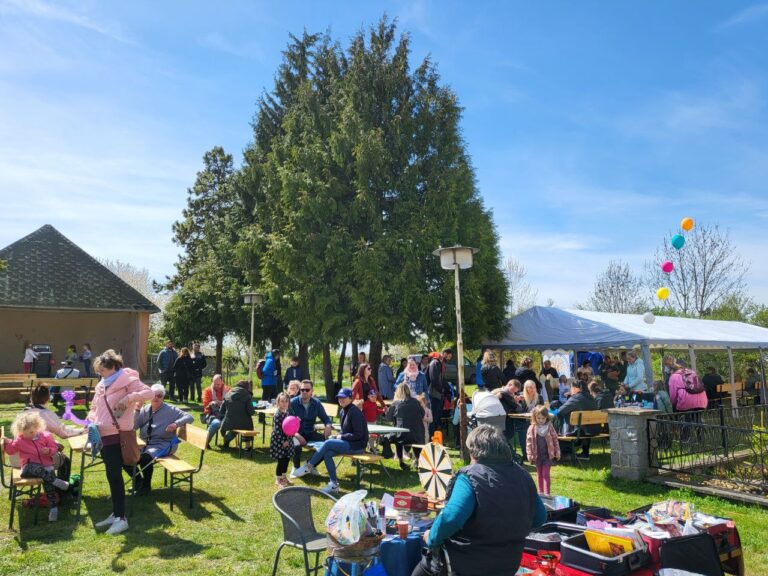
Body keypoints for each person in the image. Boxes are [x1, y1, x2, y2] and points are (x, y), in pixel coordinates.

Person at [411, 425, 546, 576]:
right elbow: (540, 518)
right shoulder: (523, 475)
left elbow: (451, 518)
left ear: (474, 452)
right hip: (508, 563)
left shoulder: (471, 476)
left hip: (466, 564)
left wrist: (431, 537)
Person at [87, 349, 153, 535]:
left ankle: (121, 518)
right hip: (102, 434)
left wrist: (128, 398)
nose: (100, 373)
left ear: (114, 367)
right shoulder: (102, 384)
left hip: (118, 434)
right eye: (99, 371)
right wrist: (91, 420)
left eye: (103, 370)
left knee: (115, 476)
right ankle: (116, 513)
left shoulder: (128, 380)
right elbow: (94, 407)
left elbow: (148, 393)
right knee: (111, 475)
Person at [292, 388, 369, 494]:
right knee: (327, 454)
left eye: (344, 397)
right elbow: (345, 431)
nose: (341, 400)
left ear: (350, 398)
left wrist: (340, 437)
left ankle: (309, 466)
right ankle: (334, 484)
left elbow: (358, 435)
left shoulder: (354, 412)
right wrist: (338, 436)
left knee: (327, 443)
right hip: (348, 443)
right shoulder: (343, 411)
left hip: (357, 446)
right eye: (339, 398)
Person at [2, 412, 70, 522]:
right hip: (29, 468)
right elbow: (10, 450)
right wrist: (6, 442)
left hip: (47, 466)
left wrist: (48, 451)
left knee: (50, 489)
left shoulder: (46, 436)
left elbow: (54, 448)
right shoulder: (20, 440)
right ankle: (56, 480)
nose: (29, 435)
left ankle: (53, 509)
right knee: (37, 468)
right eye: (25, 433)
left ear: (38, 427)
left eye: (32, 432)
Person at [128, 384, 193, 496]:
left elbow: (190, 417)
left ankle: (146, 486)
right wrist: (137, 410)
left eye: (159, 395)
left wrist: (175, 424)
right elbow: (134, 426)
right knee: (125, 456)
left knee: (145, 458)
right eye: (153, 395)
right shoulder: (145, 409)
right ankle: (138, 481)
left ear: (163, 397)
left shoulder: (171, 410)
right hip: (145, 443)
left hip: (164, 444)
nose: (156, 398)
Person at [288, 379, 333, 477]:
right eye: (302, 389)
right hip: (296, 432)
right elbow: (286, 423)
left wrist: (328, 425)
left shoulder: (316, 403)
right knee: (296, 443)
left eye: (307, 390)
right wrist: (296, 434)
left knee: (327, 444)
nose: (304, 392)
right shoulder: (293, 403)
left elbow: (325, 418)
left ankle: (311, 465)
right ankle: (295, 467)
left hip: (310, 432)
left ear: (312, 391)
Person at [381, 384, 425, 469]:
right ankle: (417, 459)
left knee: (398, 435)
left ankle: (401, 461)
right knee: (413, 435)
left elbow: (389, 418)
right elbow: (422, 414)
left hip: (403, 436)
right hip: (418, 435)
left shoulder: (396, 403)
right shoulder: (416, 402)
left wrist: (386, 411)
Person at [556, 378, 598, 460]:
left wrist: (570, 397)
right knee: (584, 423)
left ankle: (565, 452)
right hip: (593, 430)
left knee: (558, 421)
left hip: (579, 431)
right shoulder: (591, 398)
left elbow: (560, 411)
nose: (570, 390)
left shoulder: (575, 398)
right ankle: (585, 453)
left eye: (571, 388)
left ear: (576, 389)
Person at [668, 362, 708, 440]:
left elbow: (673, 393)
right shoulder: (692, 372)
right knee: (698, 417)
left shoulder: (674, 376)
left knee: (687, 419)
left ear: (672, 370)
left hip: (686, 400)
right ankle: (701, 437)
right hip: (701, 398)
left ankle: (685, 439)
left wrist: (673, 404)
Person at [526, 405, 560, 495]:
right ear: (535, 417)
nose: (541, 420)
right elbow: (528, 442)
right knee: (539, 474)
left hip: (547, 455)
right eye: (538, 418)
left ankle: (547, 493)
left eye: (543, 418)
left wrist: (557, 451)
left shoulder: (550, 427)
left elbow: (555, 439)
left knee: (546, 474)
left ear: (547, 418)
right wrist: (529, 454)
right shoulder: (532, 428)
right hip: (537, 455)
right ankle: (540, 493)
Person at [219, 379, 256, 449]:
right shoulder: (247, 395)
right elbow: (251, 412)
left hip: (228, 421)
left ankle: (227, 439)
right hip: (243, 423)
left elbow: (222, 409)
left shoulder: (228, 393)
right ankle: (247, 446)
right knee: (248, 424)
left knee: (235, 426)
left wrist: (222, 418)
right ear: (246, 387)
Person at [270, 392, 295, 489]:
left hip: (288, 439)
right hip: (280, 440)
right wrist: (282, 441)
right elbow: (277, 430)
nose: (284, 403)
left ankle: (284, 476)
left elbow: (290, 427)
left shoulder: (288, 413)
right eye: (282, 401)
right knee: (281, 460)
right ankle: (278, 478)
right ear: (278, 402)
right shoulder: (278, 415)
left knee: (287, 458)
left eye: (286, 401)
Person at [427, 349, 453, 435]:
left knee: (437, 417)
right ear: (444, 354)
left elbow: (442, 379)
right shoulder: (435, 363)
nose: (449, 358)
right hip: (434, 394)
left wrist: (448, 388)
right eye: (449, 356)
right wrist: (441, 390)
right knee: (433, 417)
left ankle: (435, 436)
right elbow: (434, 379)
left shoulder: (441, 363)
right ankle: (430, 437)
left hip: (439, 394)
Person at [202, 374, 229, 449]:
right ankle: (205, 441)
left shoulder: (228, 390)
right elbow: (206, 404)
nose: (216, 386)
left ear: (222, 382)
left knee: (238, 422)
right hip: (211, 414)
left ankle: (227, 440)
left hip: (226, 415)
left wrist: (218, 402)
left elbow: (231, 403)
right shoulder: (207, 391)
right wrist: (214, 403)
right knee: (216, 423)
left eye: (218, 384)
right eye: (214, 383)